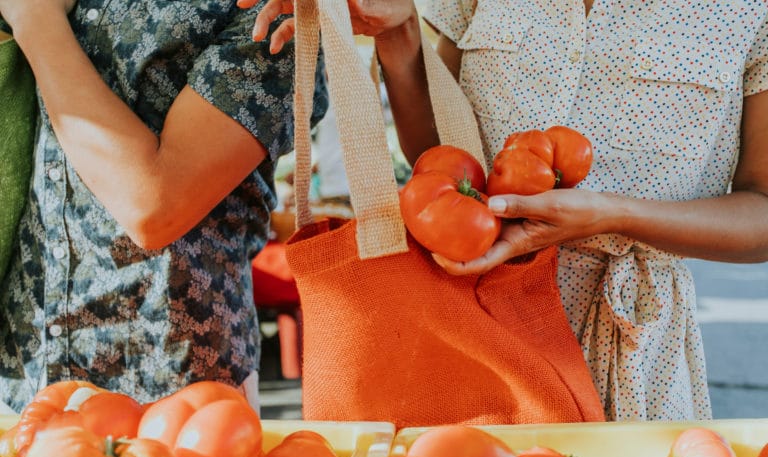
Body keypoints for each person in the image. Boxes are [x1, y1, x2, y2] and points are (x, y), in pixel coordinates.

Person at [251, 0, 768, 421]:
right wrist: (398, 32)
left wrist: (615, 214)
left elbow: (761, 213)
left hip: (637, 345)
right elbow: (443, 156)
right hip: (473, 318)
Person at [0, 0, 328, 413]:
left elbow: (156, 206)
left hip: (173, 399)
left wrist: (35, 19)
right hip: (20, 379)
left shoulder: (273, 7)